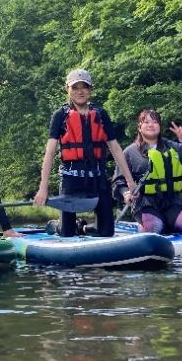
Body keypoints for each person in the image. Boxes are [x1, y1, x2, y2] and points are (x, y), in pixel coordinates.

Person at [34, 68, 137, 237]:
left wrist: (130, 182)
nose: (80, 91)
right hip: (71, 179)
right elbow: (50, 152)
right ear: (68, 89)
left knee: (107, 232)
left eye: (84, 87)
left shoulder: (101, 114)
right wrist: (43, 188)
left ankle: (83, 228)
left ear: (90, 90)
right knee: (67, 234)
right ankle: (58, 225)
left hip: (97, 179)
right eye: (75, 87)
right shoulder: (60, 116)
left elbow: (116, 149)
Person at [112, 109, 182, 233]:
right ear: (139, 127)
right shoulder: (130, 152)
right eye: (146, 122)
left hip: (172, 200)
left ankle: (168, 224)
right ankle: (147, 226)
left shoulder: (174, 148)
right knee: (155, 227)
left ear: (160, 127)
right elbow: (119, 180)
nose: (151, 125)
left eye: (155, 122)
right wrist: (126, 193)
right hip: (145, 203)